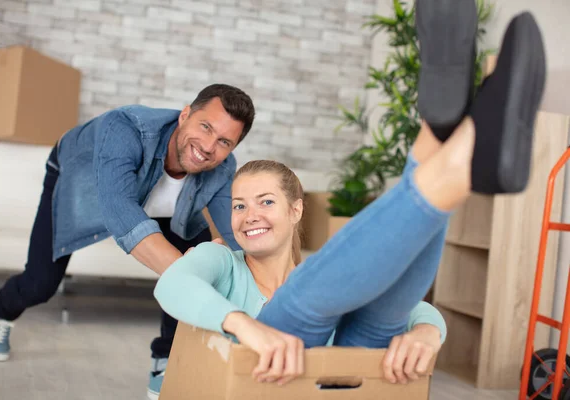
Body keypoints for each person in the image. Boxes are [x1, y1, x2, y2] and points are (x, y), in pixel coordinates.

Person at [154, 0, 546, 388]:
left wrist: (426, 333)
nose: (248, 215)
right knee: (304, 304)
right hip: (260, 389)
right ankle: (447, 151)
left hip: (336, 389)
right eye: (238, 205)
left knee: (376, 317)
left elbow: (419, 311)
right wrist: (248, 328)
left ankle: (442, 141)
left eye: (266, 202)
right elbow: (171, 285)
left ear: (296, 210)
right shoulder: (221, 261)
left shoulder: (341, 276)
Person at [0, 84, 255, 397]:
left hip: (163, 209)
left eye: (224, 142)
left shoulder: (222, 169)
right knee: (41, 283)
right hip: (81, 181)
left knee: (201, 258)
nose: (208, 146)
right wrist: (190, 277)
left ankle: (166, 358)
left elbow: (237, 237)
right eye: (205, 127)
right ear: (185, 115)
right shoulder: (125, 128)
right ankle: (1, 310)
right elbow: (119, 209)